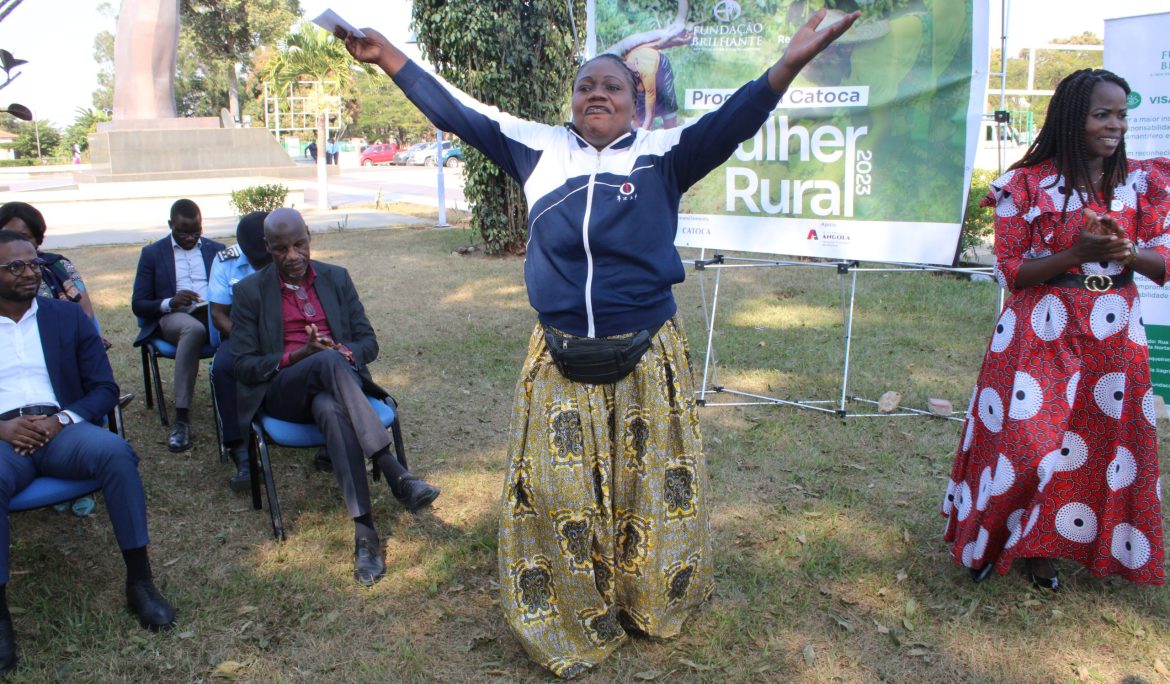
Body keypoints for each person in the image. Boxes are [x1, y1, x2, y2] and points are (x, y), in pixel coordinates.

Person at [338, 9, 858, 676]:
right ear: (572, 101)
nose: (597, 94)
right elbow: (458, 110)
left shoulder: (666, 154)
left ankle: (649, 603)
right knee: (558, 494)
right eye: (586, 86)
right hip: (558, 354)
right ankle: (570, 607)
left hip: (647, 352)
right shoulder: (535, 149)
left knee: (651, 492)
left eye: (612, 86)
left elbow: (738, 117)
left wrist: (787, 63)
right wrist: (388, 58)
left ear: (638, 102)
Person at [944, 69, 1167, 590]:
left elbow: (1164, 260)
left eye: (1121, 115)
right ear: (1072, 119)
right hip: (1040, 328)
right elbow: (1011, 271)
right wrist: (1076, 253)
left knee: (1094, 444)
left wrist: (1126, 252)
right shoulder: (1026, 186)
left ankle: (1046, 547)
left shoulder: (1145, 183)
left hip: (1115, 332)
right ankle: (992, 540)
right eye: (1102, 114)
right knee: (1025, 443)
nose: (1115, 126)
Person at [230, 208, 441, 586]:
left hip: (336, 387)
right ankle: (394, 471)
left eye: (299, 245)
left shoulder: (336, 278)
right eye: (280, 250)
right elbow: (242, 365)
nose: (292, 256)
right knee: (323, 360)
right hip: (283, 391)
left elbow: (368, 342)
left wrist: (342, 352)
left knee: (330, 406)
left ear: (309, 237)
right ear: (266, 249)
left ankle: (365, 536)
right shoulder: (248, 293)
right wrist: (298, 355)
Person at [0, 230, 176, 674]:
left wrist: (60, 420)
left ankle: (140, 582)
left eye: (33, 263)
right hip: (3, 436)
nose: (29, 273)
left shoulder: (65, 317)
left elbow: (104, 389)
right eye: (15, 266)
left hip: (61, 428)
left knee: (116, 453)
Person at [131, 199, 224, 452]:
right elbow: (139, 303)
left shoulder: (217, 250)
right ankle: (182, 418)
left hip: (212, 313)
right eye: (183, 232)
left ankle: (245, 408)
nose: (191, 237)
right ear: (170, 225)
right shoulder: (153, 254)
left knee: (241, 326)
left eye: (197, 231)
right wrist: (170, 301)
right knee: (194, 329)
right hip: (174, 316)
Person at [623, 43, 679, 130]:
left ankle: (671, 133)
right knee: (640, 108)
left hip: (660, 65)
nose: (640, 89)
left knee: (667, 104)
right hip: (639, 64)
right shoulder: (620, 73)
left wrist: (642, 134)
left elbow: (650, 114)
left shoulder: (647, 74)